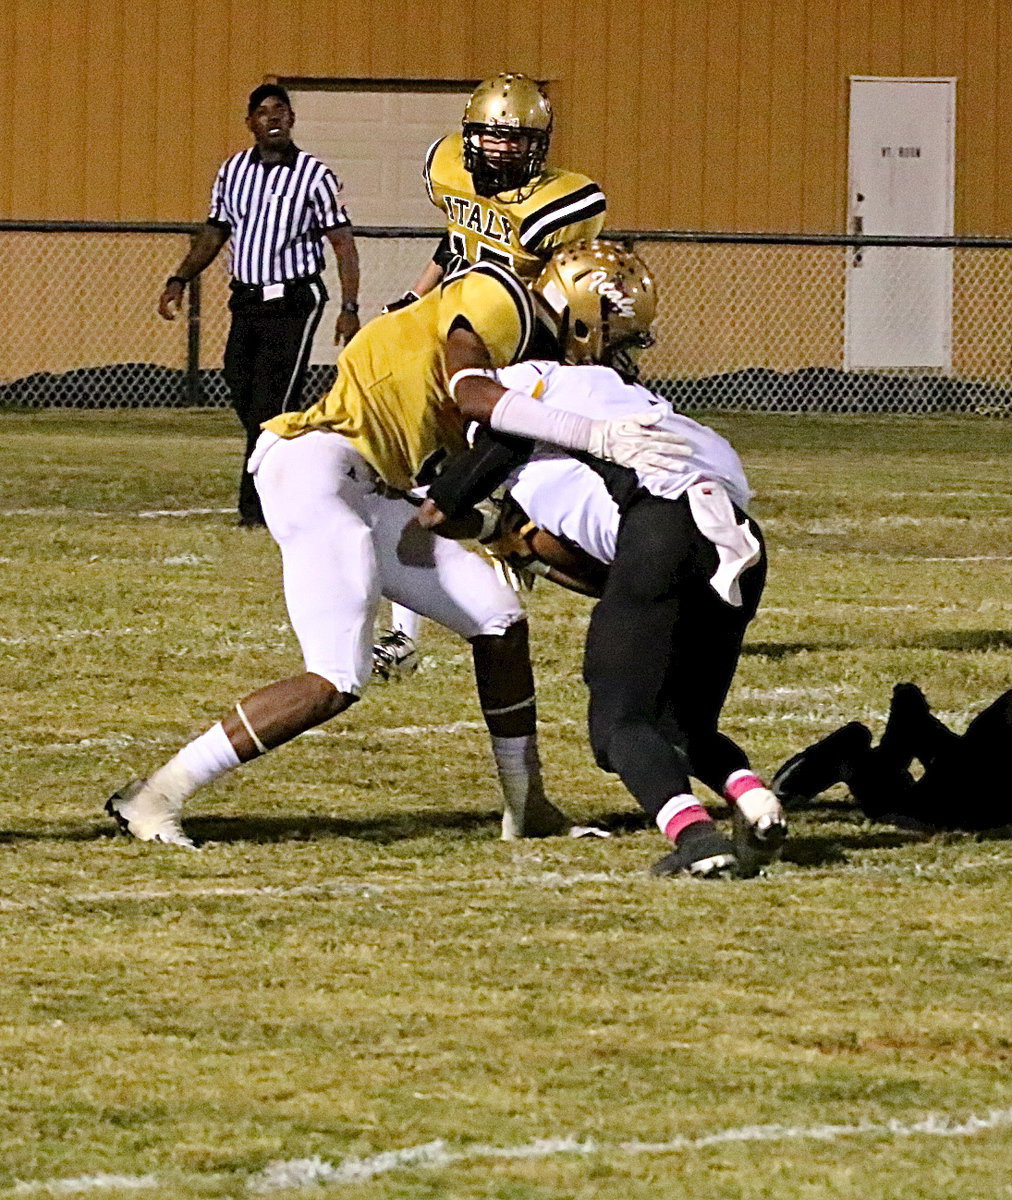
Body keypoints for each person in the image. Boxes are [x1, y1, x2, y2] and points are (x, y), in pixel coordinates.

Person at [107, 257, 687, 849]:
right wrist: (585, 434)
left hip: (373, 484)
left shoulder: (529, 377)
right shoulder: (501, 296)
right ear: (585, 311)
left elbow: (473, 509)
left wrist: (577, 561)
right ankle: (155, 796)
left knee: (499, 619)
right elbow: (470, 389)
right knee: (336, 676)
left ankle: (526, 805)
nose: (621, 351)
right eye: (618, 332)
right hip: (316, 463)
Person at [419, 241, 788, 878]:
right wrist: (499, 532)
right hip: (739, 541)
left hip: (663, 527)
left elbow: (480, 409)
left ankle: (698, 840)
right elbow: (614, 579)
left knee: (618, 723)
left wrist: (435, 502)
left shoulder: (545, 387)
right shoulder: (631, 400)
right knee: (685, 721)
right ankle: (756, 805)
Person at [375, 71, 608, 678]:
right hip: (455, 335)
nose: (502, 150)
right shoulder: (450, 167)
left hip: (518, 348)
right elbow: (456, 240)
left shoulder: (564, 201)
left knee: (529, 495)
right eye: (491, 138)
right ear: (468, 134)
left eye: (517, 141)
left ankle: (611, 584)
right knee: (414, 474)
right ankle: (403, 633)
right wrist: (413, 297)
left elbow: (566, 286)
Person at [158, 83, 361, 527]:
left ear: (292, 119)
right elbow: (215, 232)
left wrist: (349, 304)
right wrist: (180, 278)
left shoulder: (314, 174)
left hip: (294, 300)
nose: (273, 119)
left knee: (269, 405)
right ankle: (301, 454)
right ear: (249, 121)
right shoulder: (233, 171)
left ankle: (257, 510)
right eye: (263, 112)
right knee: (240, 383)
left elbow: (342, 243)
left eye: (281, 111)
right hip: (247, 300)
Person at [771, 683, 1012, 831]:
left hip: (968, 781)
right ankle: (854, 758)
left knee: (912, 716)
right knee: (914, 803)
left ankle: (867, 756)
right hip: (962, 802)